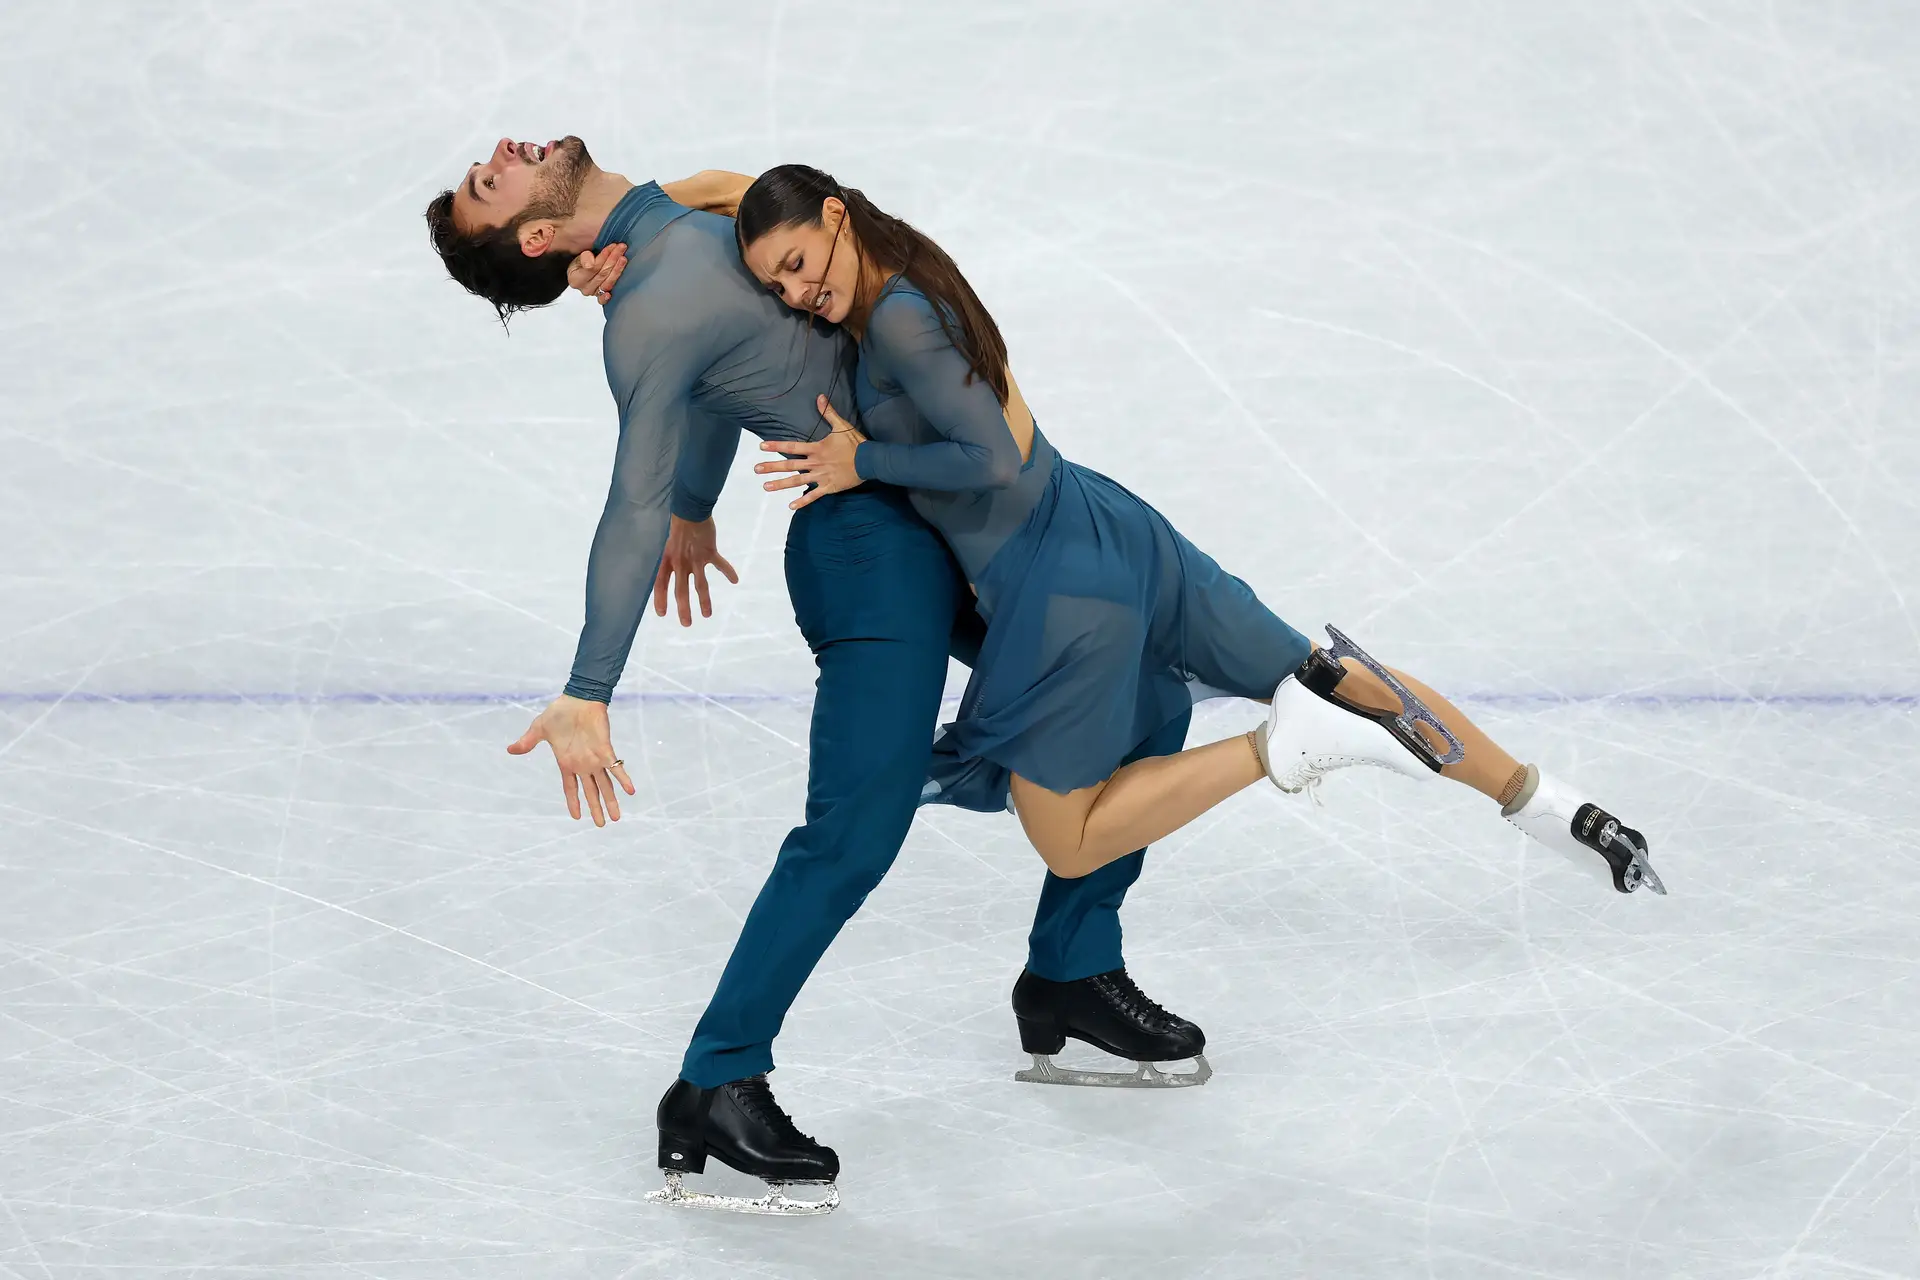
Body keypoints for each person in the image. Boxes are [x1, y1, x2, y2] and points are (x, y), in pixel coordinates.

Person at [423, 138, 1217, 1218]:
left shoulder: (672, 229)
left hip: (939, 509)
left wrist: (702, 501)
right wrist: (588, 685)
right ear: (535, 233)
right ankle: (715, 1080)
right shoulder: (645, 308)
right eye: (490, 180)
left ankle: (1073, 968)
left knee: (1143, 694)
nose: (504, 151)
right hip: (865, 546)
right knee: (856, 827)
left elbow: (723, 339)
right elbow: (631, 495)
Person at [708, 163, 1666, 902]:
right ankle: (1550, 808)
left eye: (796, 267)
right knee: (1329, 671)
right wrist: (643, 213)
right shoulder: (902, 257)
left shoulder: (903, 322)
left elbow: (990, 459)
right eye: (776, 284)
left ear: (836, 217)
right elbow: (752, 193)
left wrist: (860, 463)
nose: (794, 296)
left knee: (1070, 838)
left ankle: (1280, 751)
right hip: (1109, 526)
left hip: (1057, 586)